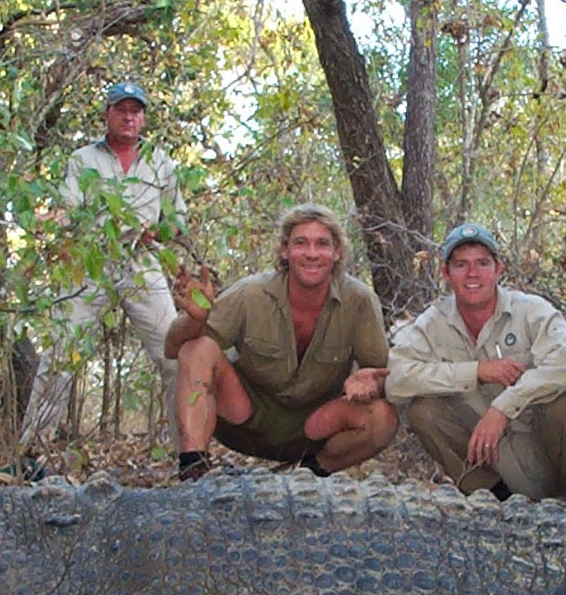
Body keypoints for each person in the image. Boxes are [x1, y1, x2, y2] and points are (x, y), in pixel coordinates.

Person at [166, 203, 397, 481]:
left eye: (322, 244)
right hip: (246, 420)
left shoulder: (359, 300)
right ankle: (193, 471)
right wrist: (194, 320)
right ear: (284, 250)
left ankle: (310, 475)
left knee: (383, 416)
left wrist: (371, 382)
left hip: (317, 427)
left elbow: (383, 375)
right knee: (197, 347)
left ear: (336, 252)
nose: (312, 254)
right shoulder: (250, 293)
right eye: (301, 243)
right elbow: (174, 350)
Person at [20, 81, 186, 454]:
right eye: (121, 109)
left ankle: (187, 453)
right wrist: (49, 227)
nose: (129, 117)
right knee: (62, 352)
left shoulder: (162, 162)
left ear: (143, 117)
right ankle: (32, 454)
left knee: (175, 355)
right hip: (92, 262)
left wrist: (155, 232)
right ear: (108, 114)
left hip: (142, 263)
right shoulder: (83, 159)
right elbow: (68, 212)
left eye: (136, 111)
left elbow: (177, 221)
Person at [387, 223, 566, 506]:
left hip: (545, 453)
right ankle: (495, 502)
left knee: (565, 405)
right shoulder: (432, 322)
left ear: (499, 269)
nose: (473, 274)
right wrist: (476, 371)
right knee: (423, 410)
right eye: (461, 264)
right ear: (445, 273)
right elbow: (397, 379)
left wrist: (503, 407)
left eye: (482, 263)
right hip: (491, 461)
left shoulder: (532, 310)